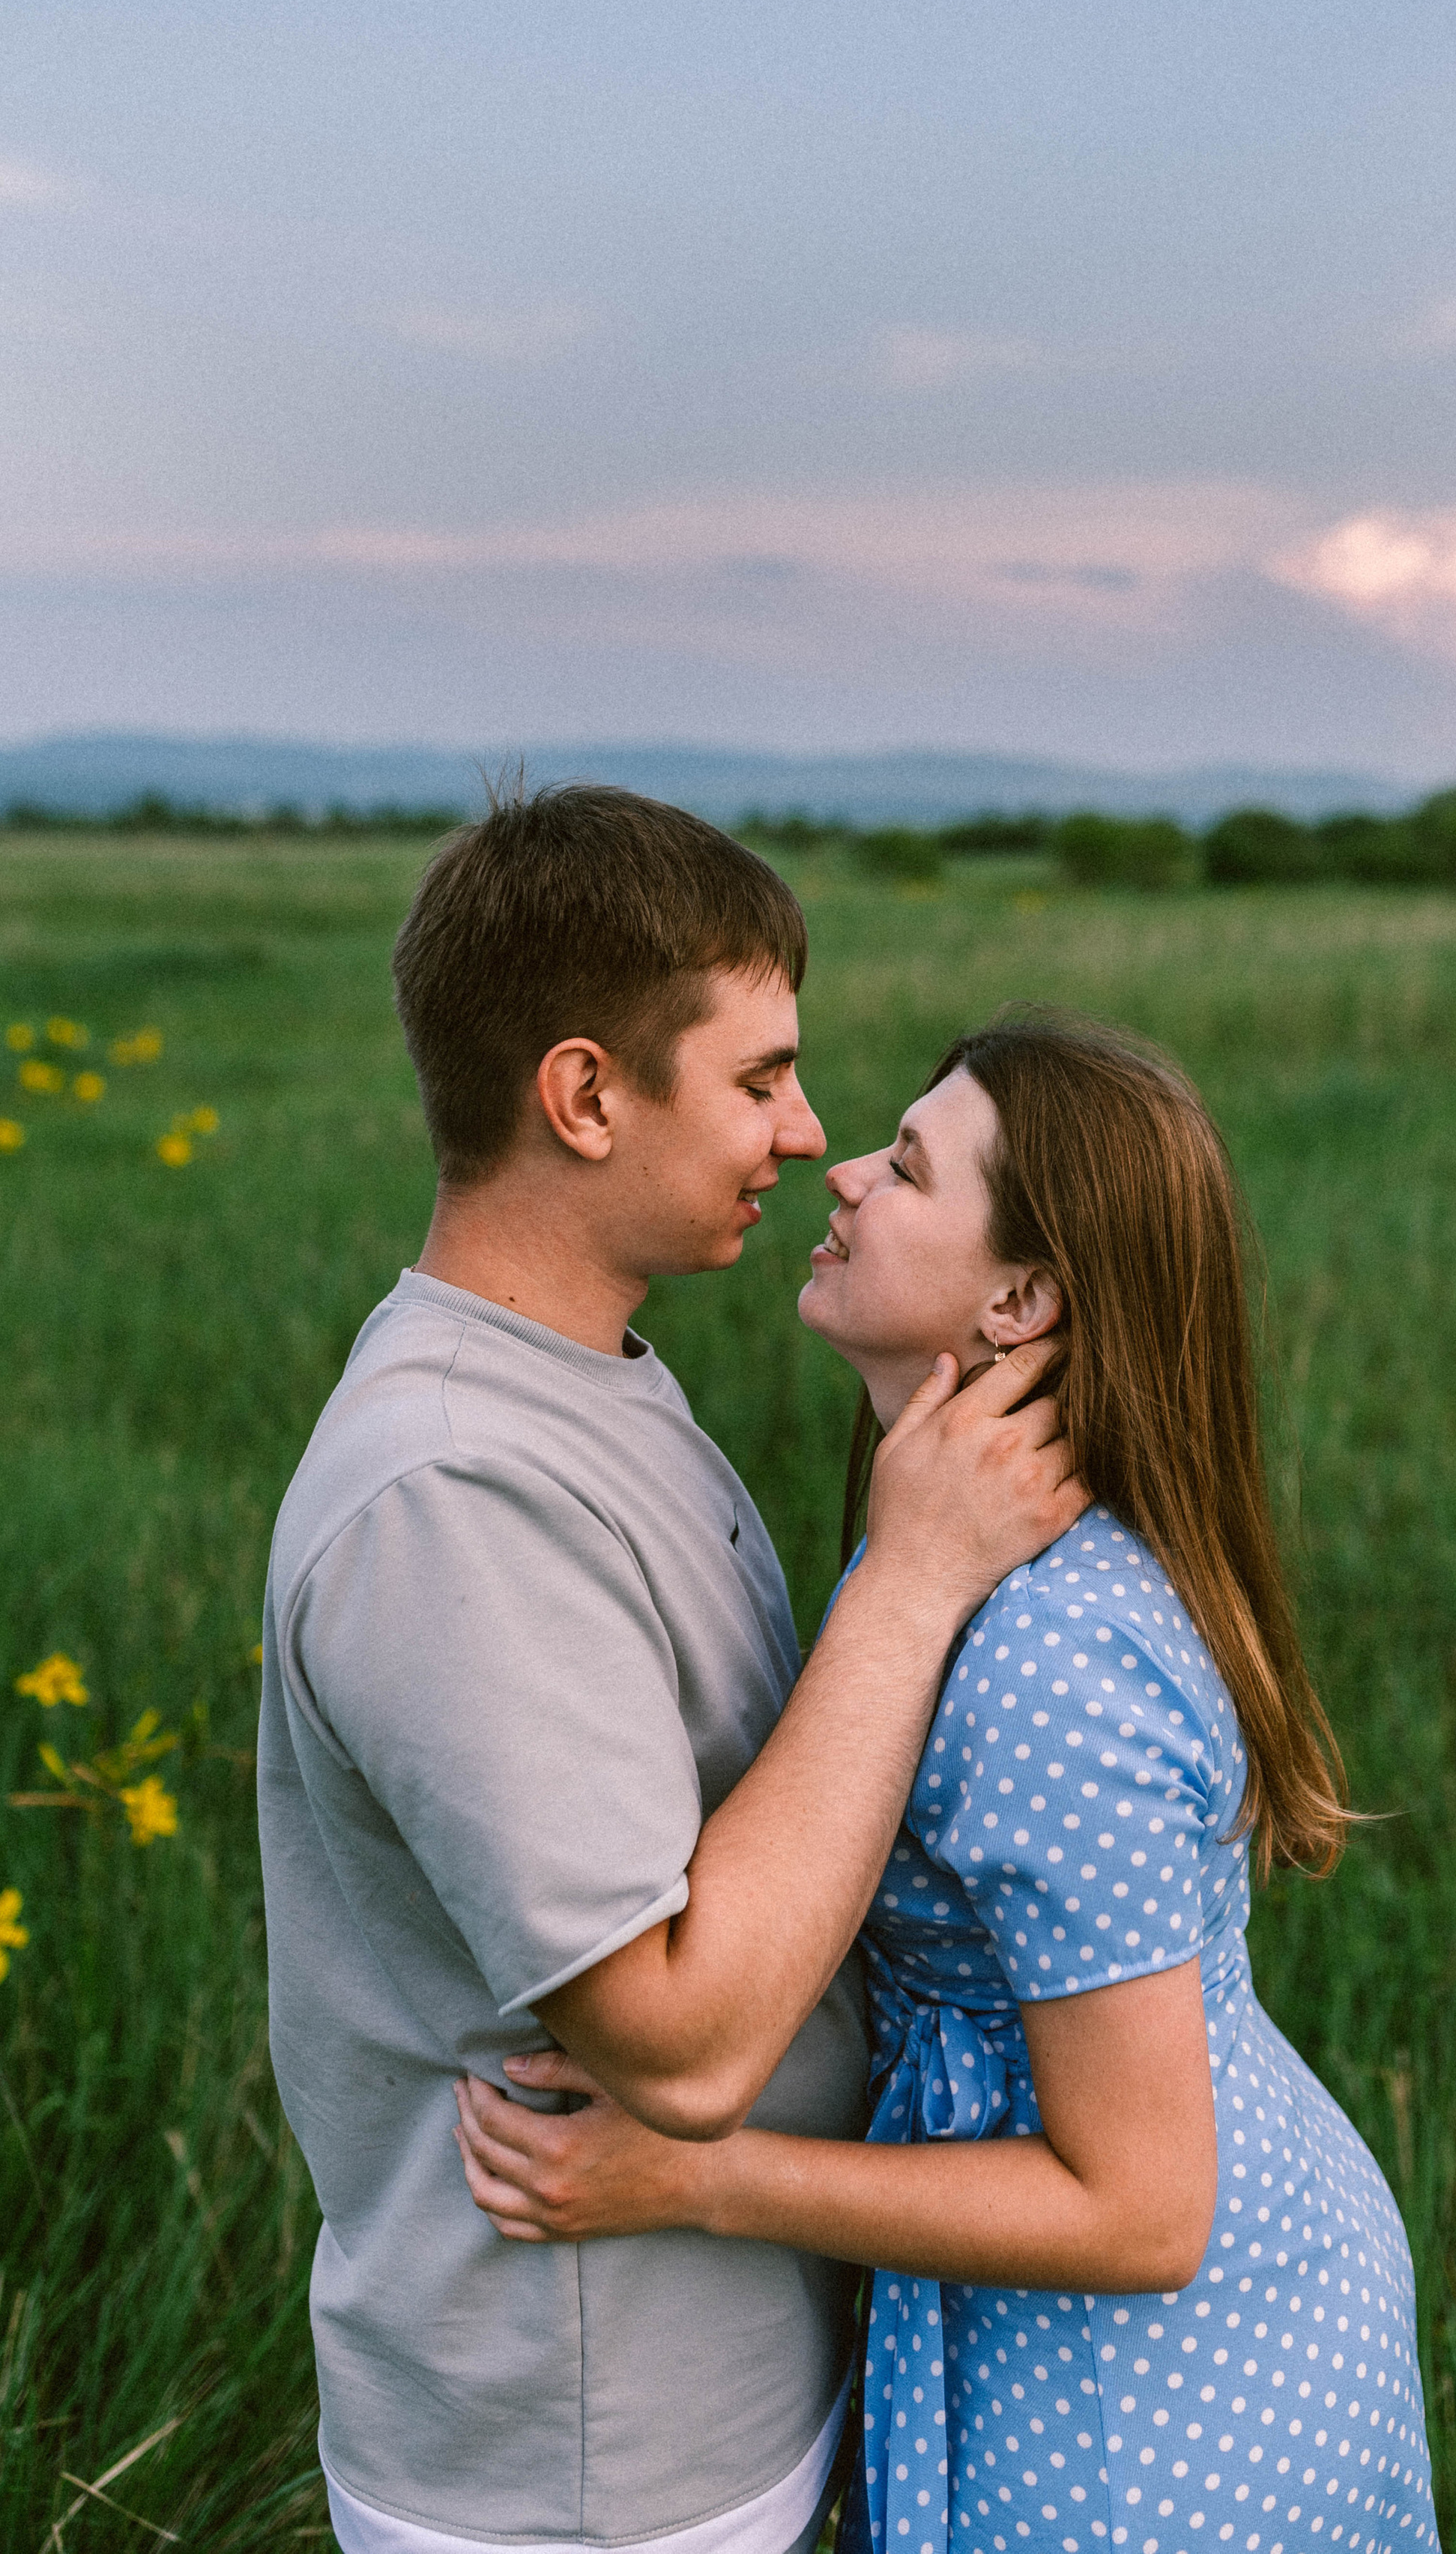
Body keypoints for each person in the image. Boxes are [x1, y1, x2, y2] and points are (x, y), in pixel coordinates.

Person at [453, 1012, 1441, 2554]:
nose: (840, 1169)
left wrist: (692, 2175)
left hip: (1157, 2423)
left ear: (1021, 1298)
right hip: (1142, 2348)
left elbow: (1140, 2208)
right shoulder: (959, 1541)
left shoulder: (1050, 1661)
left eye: (906, 1166)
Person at [258, 789, 1085, 2554]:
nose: (803, 1134)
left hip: (703, 2388)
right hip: (584, 2463)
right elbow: (682, 2046)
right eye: (758, 1077)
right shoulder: (452, 1492)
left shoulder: (588, 1374)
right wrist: (917, 1574)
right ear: (581, 1095)